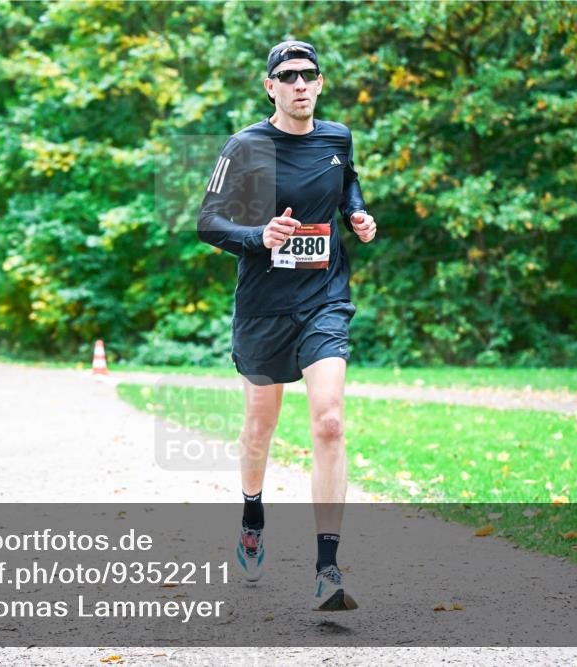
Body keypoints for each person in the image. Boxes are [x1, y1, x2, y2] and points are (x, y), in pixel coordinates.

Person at [196, 40, 377, 611]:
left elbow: (346, 181)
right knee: (259, 427)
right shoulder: (246, 146)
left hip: (324, 297)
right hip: (263, 307)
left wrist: (356, 212)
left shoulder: (337, 137)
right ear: (269, 86)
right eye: (288, 76)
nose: (300, 84)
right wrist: (259, 237)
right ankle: (252, 511)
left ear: (320, 84)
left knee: (328, 422)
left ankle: (328, 567)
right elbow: (207, 222)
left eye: (309, 75)